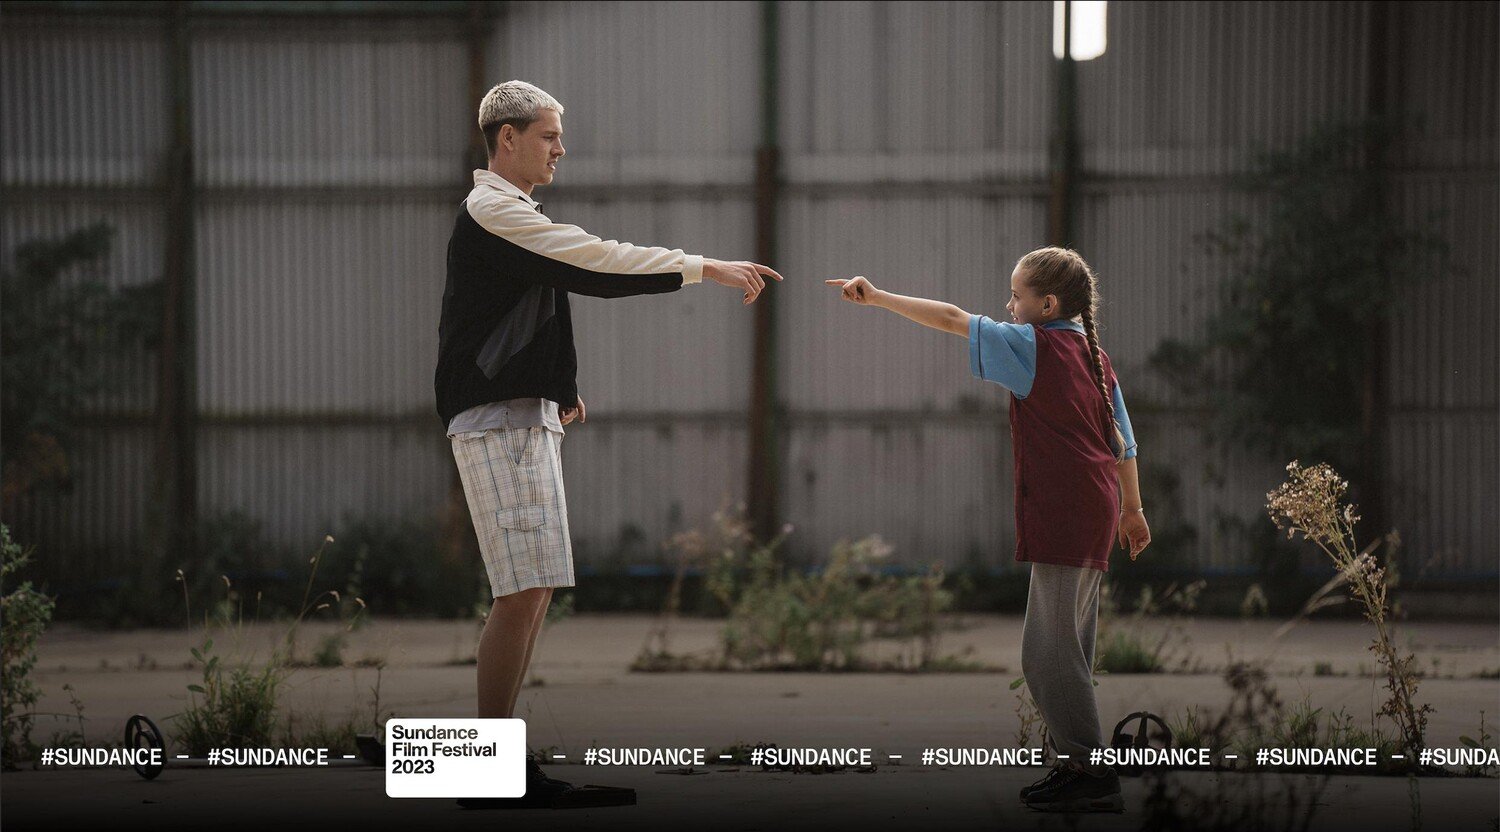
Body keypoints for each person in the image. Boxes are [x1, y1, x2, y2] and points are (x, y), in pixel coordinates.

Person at [436, 80, 783, 808]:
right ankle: (488, 774)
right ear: (507, 139)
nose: (561, 148)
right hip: (498, 420)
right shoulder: (494, 210)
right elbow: (592, 262)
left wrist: (558, 386)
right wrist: (703, 267)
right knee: (520, 591)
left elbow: (531, 306)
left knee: (533, 589)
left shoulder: (513, 214)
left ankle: (499, 769)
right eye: (549, 135)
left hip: (520, 414)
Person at [826, 246, 1151, 813]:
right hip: (1095, 507)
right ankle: (1079, 768)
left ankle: (1089, 772)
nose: (1009, 306)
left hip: (1066, 510)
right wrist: (1133, 509)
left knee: (1047, 656)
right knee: (1068, 648)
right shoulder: (1095, 356)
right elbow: (1124, 440)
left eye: (1017, 297)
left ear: (1047, 305)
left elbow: (953, 318)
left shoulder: (1034, 345)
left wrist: (877, 297)